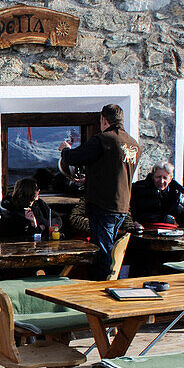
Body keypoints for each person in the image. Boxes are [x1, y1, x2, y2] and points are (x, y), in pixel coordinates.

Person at [59, 103, 141, 279]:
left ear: (104, 120)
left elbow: (73, 158)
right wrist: (91, 178)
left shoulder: (104, 140)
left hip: (104, 205)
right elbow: (115, 172)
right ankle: (106, 284)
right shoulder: (133, 144)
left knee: (102, 253)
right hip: (122, 206)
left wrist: (65, 149)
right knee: (109, 249)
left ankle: (101, 290)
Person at [130, 162, 184, 229]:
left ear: (170, 179)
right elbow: (128, 213)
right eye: (158, 177)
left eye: (165, 178)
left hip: (169, 232)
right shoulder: (138, 190)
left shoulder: (178, 194)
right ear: (153, 177)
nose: (161, 181)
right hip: (143, 231)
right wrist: (134, 224)